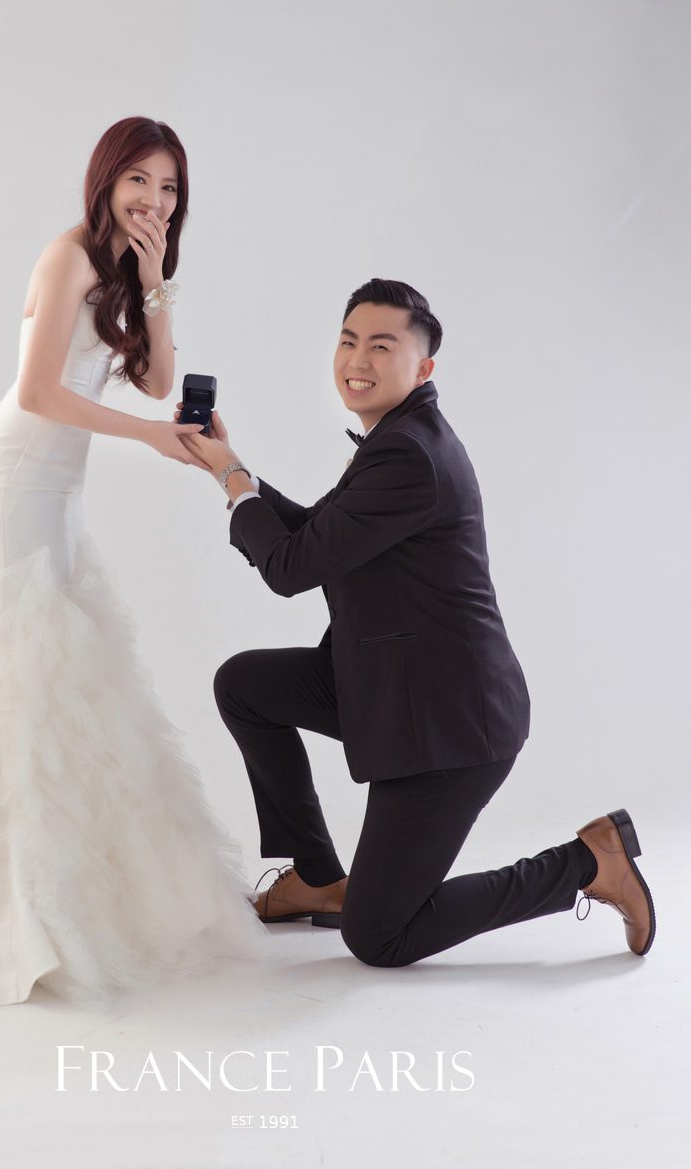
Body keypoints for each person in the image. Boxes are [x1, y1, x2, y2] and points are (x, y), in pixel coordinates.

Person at [0, 116, 267, 1032]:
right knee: (0, 665)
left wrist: (155, 285)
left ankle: (59, 880)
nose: (154, 200)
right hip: (12, 475)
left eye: (170, 188)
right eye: (139, 181)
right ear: (106, 179)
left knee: (59, 669)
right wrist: (148, 438)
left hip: (59, 486)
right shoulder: (66, 257)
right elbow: (38, 393)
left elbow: (158, 384)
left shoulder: (125, 269)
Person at [177, 277, 656, 967]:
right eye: (348, 341)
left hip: (448, 724)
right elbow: (315, 536)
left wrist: (233, 480)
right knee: (246, 685)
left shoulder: (408, 455)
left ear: (423, 367)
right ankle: (316, 876)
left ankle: (588, 863)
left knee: (378, 936)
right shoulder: (397, 439)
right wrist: (229, 469)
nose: (357, 360)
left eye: (381, 346)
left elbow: (288, 568)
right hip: (392, 685)